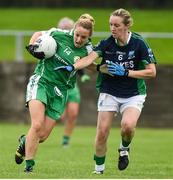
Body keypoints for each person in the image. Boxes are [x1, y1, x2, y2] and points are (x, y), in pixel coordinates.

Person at [58, 8, 157, 174]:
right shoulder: (107, 43)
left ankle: (124, 148)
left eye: (116, 25)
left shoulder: (139, 43)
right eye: (111, 24)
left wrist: (126, 72)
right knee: (102, 132)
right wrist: (73, 66)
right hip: (109, 91)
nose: (112, 28)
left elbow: (151, 72)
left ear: (126, 26)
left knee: (127, 126)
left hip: (133, 94)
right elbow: (89, 59)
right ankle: (98, 171)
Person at [14, 14, 95, 173]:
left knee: (42, 136)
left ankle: (25, 141)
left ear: (89, 36)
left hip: (61, 91)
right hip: (42, 81)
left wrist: (99, 69)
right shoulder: (58, 34)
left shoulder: (88, 49)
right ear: (73, 30)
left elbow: (91, 64)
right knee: (36, 125)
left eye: (83, 37)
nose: (78, 39)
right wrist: (32, 46)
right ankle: (29, 166)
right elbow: (38, 34)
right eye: (77, 35)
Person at [57, 17, 91, 147]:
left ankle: (66, 138)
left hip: (71, 86)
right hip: (57, 85)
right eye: (63, 29)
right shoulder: (55, 43)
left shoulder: (80, 46)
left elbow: (79, 62)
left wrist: (83, 75)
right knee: (60, 116)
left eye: (68, 29)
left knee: (73, 113)